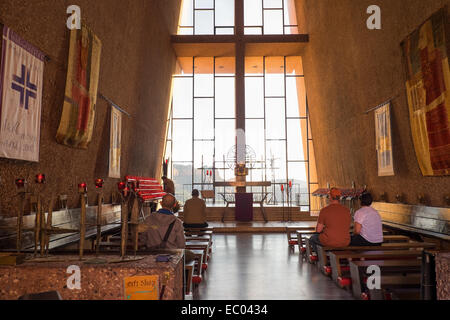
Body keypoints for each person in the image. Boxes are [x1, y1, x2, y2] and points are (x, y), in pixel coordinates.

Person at [309, 188, 351, 253]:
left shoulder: (324, 210)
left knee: (312, 238)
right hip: (345, 241)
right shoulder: (347, 210)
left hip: (329, 241)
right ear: (339, 198)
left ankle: (321, 257)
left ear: (330, 197)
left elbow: (318, 230)